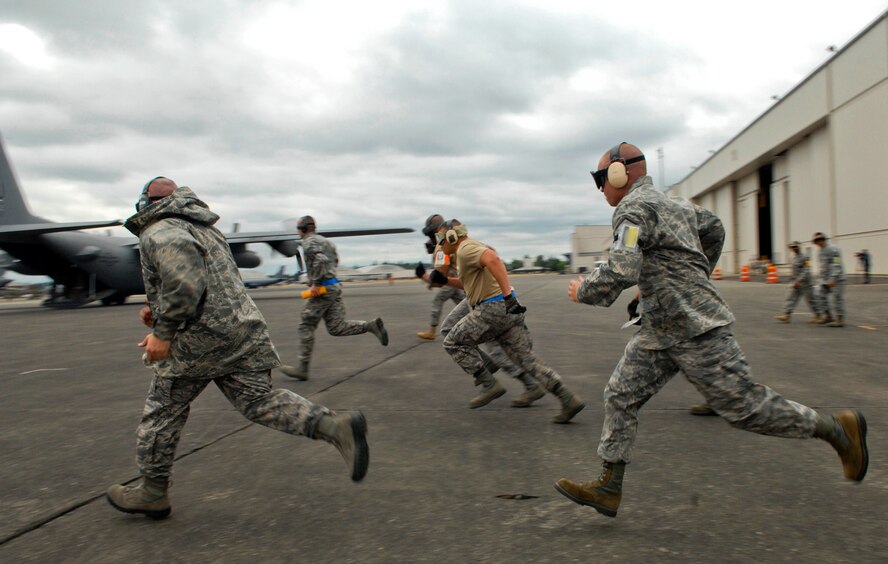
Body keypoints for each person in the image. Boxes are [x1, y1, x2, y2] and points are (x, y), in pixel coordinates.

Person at [555, 143, 868, 518]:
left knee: (745, 407)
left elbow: (621, 268)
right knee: (621, 394)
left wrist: (583, 290)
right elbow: (714, 229)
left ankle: (837, 429)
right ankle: (609, 486)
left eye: (600, 178)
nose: (600, 187)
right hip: (661, 329)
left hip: (695, 327)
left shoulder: (633, 208)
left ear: (621, 173)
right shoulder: (678, 205)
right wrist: (686, 276)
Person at [107, 178, 369, 519]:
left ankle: (153, 492)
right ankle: (335, 426)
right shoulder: (207, 229)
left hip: (198, 341)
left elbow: (184, 283)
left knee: (163, 410)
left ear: (147, 203)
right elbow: (204, 281)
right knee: (258, 400)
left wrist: (164, 331)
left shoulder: (161, 229)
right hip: (241, 331)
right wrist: (156, 312)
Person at [436, 220, 584, 422]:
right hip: (506, 312)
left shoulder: (465, 249)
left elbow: (493, 259)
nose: (439, 244)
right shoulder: (470, 249)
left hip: (491, 309)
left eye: (440, 238)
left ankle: (488, 383)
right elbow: (468, 281)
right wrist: (445, 280)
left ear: (451, 236)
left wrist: (507, 296)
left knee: (452, 341)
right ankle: (568, 398)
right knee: (527, 360)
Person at [278, 215, 388, 380]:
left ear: (303, 228)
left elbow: (320, 260)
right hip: (334, 286)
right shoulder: (326, 242)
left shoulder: (308, 242)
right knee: (336, 327)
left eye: (298, 228)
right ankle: (370, 326)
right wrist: (320, 277)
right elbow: (334, 260)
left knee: (306, 324)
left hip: (324, 289)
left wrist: (316, 282)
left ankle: (302, 368)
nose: (298, 232)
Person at [416, 214, 466, 341]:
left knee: (438, 301)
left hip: (452, 279)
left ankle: (432, 331)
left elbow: (440, 279)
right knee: (464, 304)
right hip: (459, 280)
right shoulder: (453, 240)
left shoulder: (442, 249)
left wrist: (423, 276)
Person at [774, 241, 819, 323]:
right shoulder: (794, 258)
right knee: (791, 298)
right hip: (796, 283)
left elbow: (807, 270)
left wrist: (799, 280)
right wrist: (792, 281)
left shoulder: (806, 257)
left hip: (806, 283)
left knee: (811, 300)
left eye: (795, 247)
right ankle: (786, 315)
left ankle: (818, 315)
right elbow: (794, 271)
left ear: (799, 247)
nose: (794, 248)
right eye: (792, 247)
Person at [812, 232, 846, 327]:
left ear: (824, 239)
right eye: (816, 241)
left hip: (837, 279)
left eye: (820, 240)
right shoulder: (819, 252)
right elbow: (822, 266)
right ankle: (828, 316)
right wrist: (820, 279)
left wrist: (833, 278)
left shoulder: (833, 249)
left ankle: (840, 319)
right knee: (819, 295)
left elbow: (837, 264)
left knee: (837, 298)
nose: (818, 242)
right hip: (824, 279)